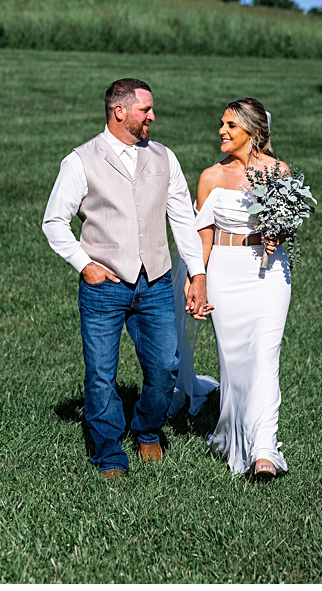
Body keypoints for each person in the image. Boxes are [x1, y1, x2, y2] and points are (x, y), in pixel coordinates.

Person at [42, 79, 208, 478]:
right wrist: (85, 265)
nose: (153, 116)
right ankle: (109, 454)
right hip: (104, 287)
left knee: (166, 367)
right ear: (120, 112)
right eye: (145, 110)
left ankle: (147, 429)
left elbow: (183, 219)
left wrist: (197, 273)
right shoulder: (80, 160)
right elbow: (54, 223)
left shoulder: (164, 157)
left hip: (154, 284)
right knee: (101, 375)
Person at [193, 98, 292, 481]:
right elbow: (203, 238)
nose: (222, 131)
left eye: (231, 126)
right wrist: (196, 281)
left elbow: (287, 223)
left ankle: (264, 450)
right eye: (222, 124)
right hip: (224, 271)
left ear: (253, 132)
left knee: (266, 356)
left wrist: (278, 235)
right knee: (235, 367)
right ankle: (234, 438)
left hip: (269, 273)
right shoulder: (210, 177)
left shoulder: (279, 171)